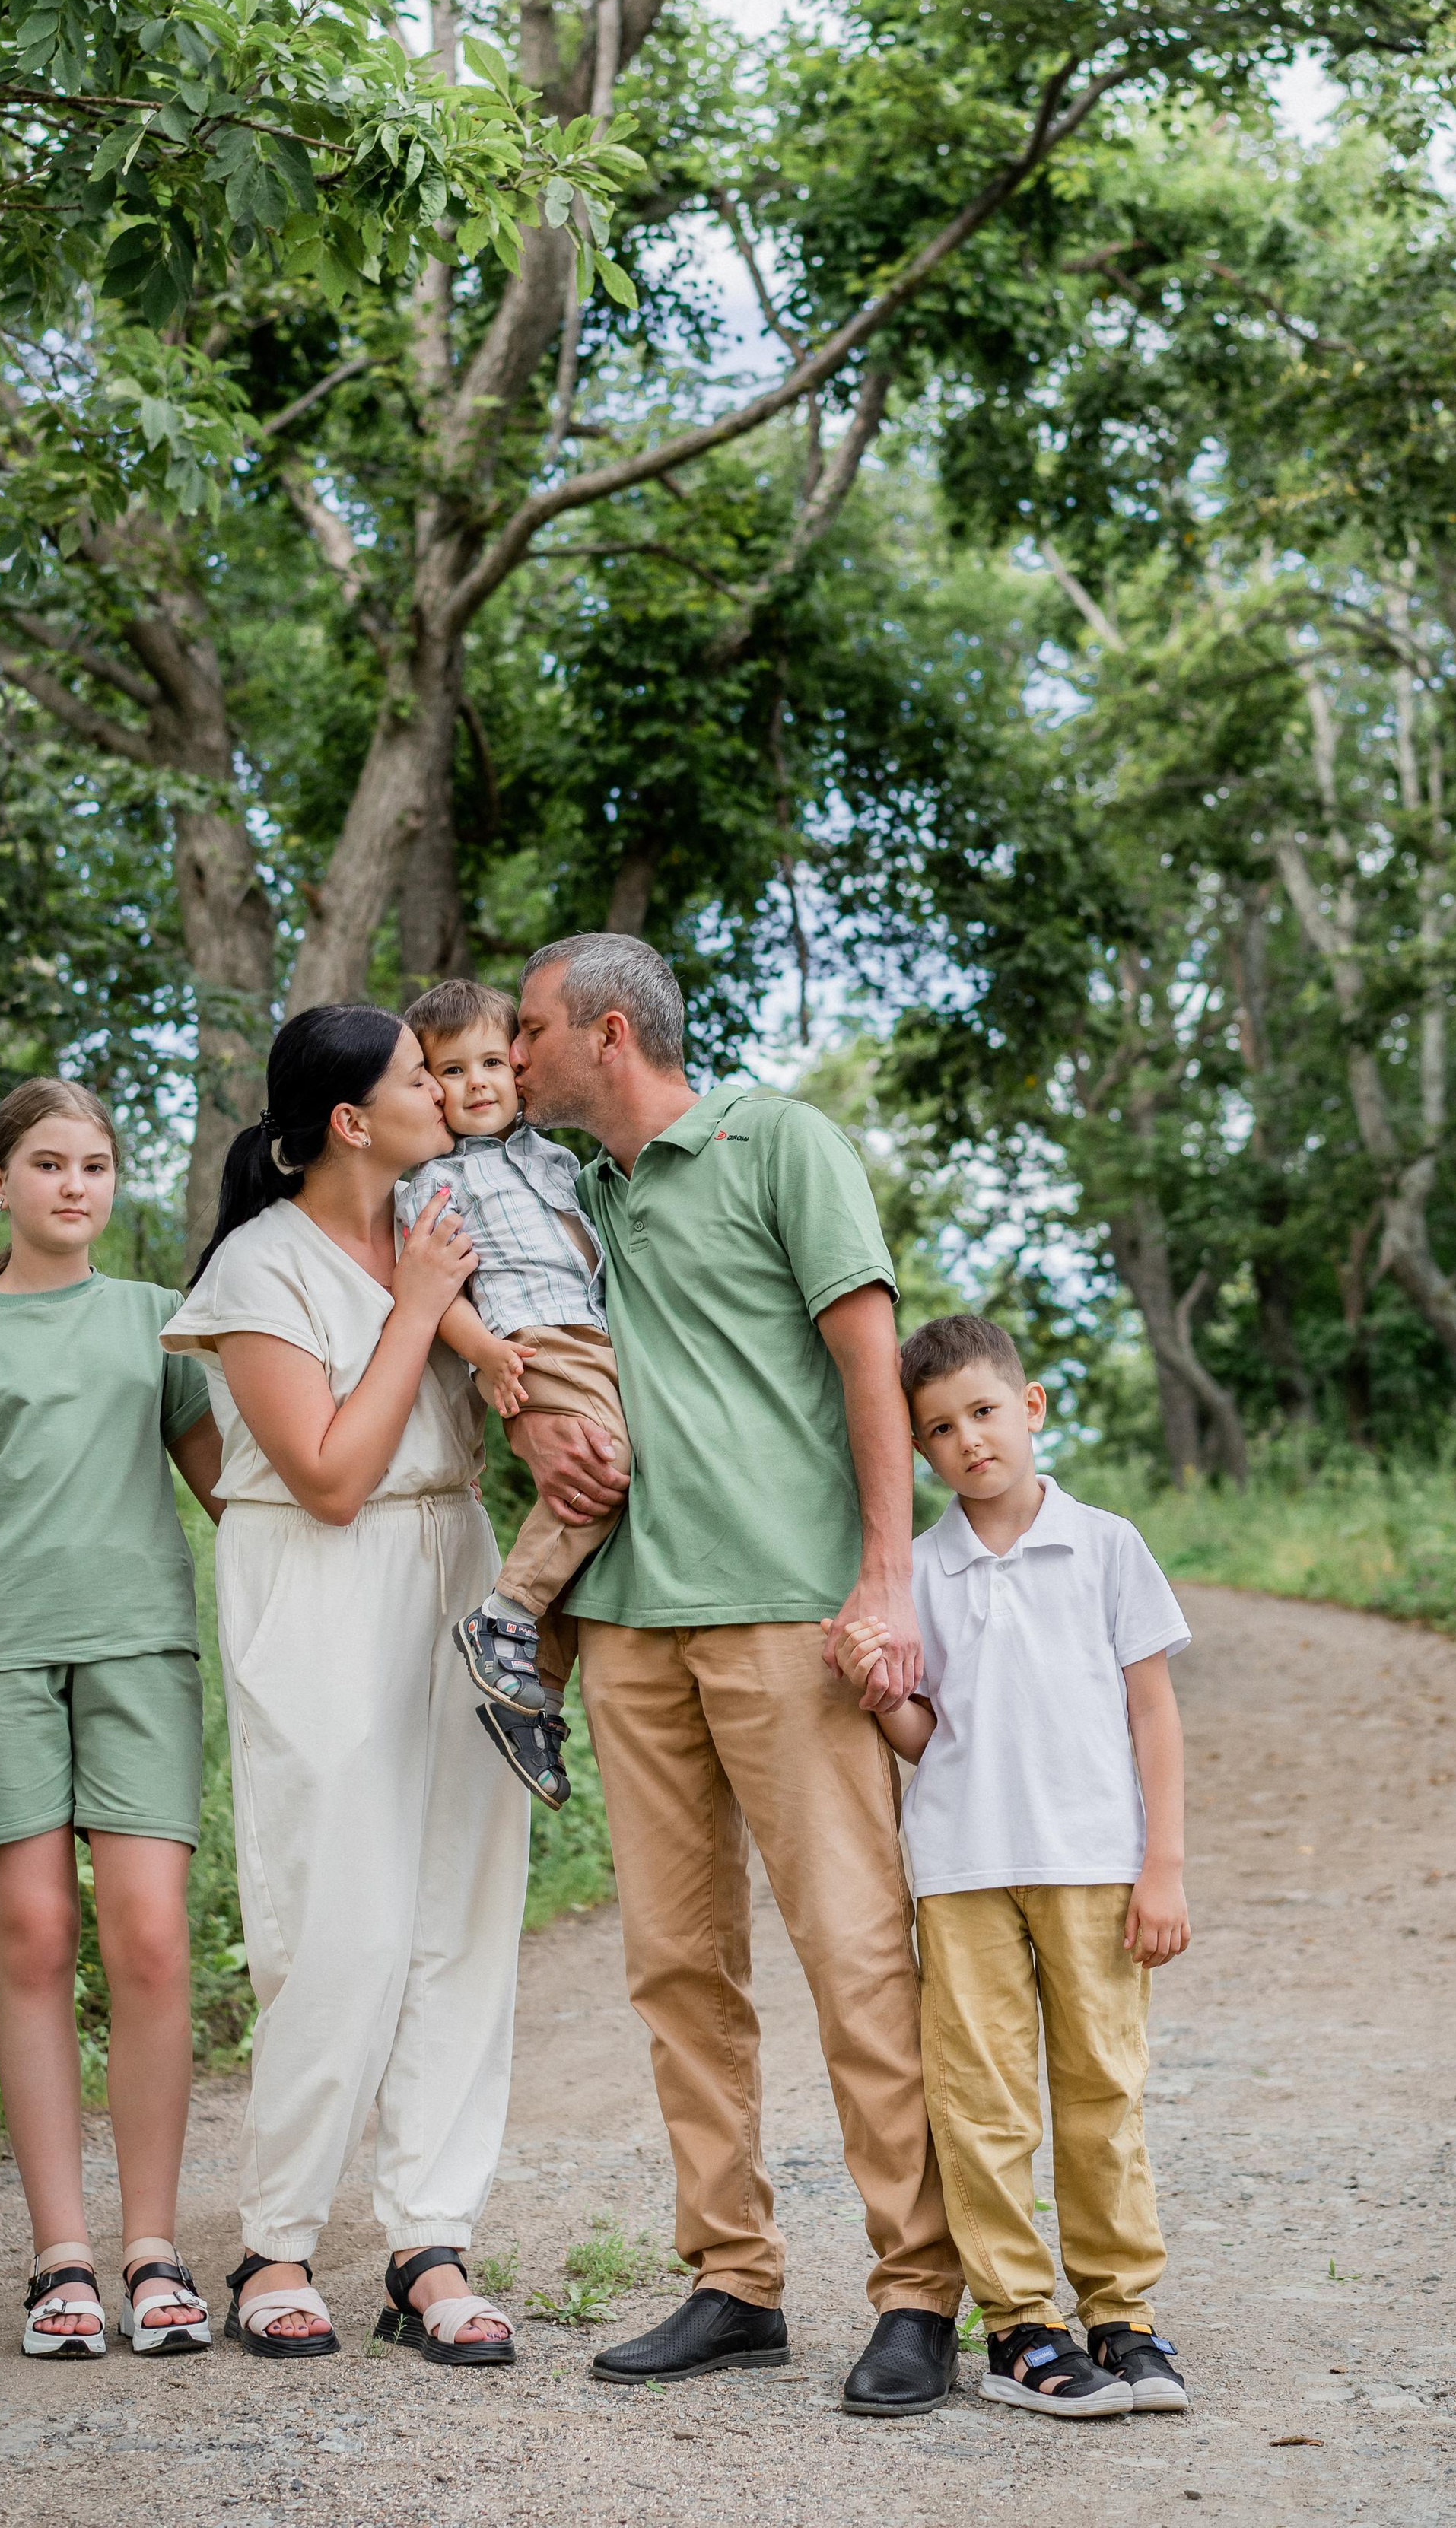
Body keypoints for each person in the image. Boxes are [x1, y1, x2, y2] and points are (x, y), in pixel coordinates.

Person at [504, 933, 965, 2418]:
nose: (511, 1059)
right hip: (630, 1622)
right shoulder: (574, 1195)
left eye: (528, 1032)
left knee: (850, 1955)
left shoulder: (780, 1143)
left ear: (611, 1032)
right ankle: (732, 2279)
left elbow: (866, 1358)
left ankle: (915, 2292)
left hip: (785, 1614)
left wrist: (885, 1575)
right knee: (675, 1970)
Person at [159, 1004, 528, 2368]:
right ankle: (278, 2240)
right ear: (351, 1121)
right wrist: (423, 1309)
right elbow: (321, 1474)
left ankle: (430, 2241)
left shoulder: (448, 1219)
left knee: (466, 1909)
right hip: (322, 1575)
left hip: (459, 1566)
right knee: (338, 1917)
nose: (449, 1087)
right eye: (421, 1076)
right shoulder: (263, 1268)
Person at [0, 1079, 224, 2362]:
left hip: (142, 1653)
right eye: (49, 1164)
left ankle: (154, 2249)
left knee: (147, 1941)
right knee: (33, 1934)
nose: (76, 1185)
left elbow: (239, 1496)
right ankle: (62, 2256)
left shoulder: (158, 1324)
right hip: (2, 1665)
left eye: (96, 1164)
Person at [831, 1312, 1193, 2421]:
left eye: (985, 1413)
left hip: (1093, 1862)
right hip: (964, 1869)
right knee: (981, 2103)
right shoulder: (920, 1571)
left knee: (1102, 2091)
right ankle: (1020, 2326)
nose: (968, 1440)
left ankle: (1120, 2312)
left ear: (1029, 1408)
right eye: (938, 1429)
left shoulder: (1104, 1545)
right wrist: (881, 1693)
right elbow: (929, 1737)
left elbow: (1152, 1713)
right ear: (919, 1450)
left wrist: (1162, 1865)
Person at [396, 975, 629, 1813]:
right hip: (530, 1342)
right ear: (428, 1088)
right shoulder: (428, 1181)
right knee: (607, 1466)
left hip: (593, 1337)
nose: (478, 1083)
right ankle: (503, 1614)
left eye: (492, 1061)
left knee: (600, 1507)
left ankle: (532, 1689)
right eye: (451, 1072)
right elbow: (425, 1289)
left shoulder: (560, 1159)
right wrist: (487, 1354)